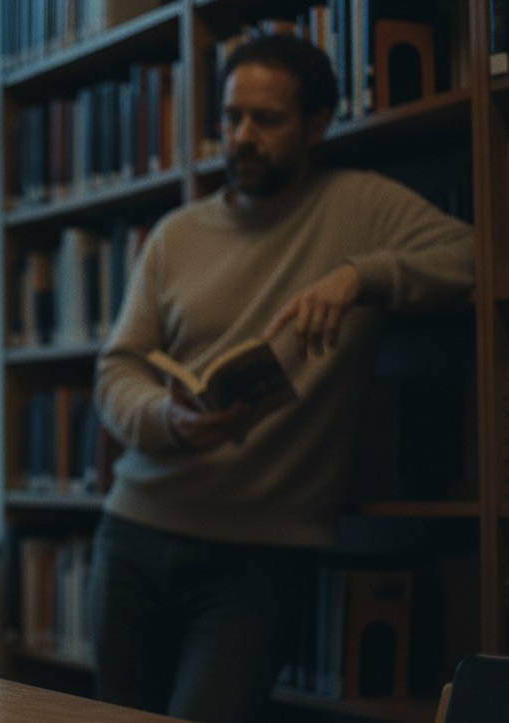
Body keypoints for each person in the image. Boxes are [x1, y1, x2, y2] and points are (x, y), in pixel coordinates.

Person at [87, 34, 474, 723]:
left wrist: (362, 277)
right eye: (232, 117)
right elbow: (118, 367)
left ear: (317, 124)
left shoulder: (360, 206)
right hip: (134, 533)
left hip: (263, 557)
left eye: (266, 120)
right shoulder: (176, 234)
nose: (242, 136)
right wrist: (167, 419)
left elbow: (475, 253)